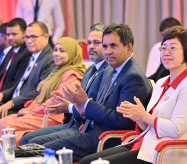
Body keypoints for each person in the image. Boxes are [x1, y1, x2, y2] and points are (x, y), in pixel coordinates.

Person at [79, 26, 187, 164]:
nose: (166, 52)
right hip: (144, 145)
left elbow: (176, 130)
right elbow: (148, 127)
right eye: (163, 48)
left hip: (164, 153)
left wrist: (144, 116)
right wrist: (138, 117)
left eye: (172, 48)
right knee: (87, 161)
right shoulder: (162, 82)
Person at [32, 24, 152, 162]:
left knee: (44, 152)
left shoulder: (132, 77)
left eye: (114, 46)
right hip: (89, 131)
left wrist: (86, 104)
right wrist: (81, 107)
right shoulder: (114, 70)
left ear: (128, 48)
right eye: (106, 46)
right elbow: (101, 107)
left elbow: (122, 121)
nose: (108, 51)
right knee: (39, 148)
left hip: (107, 138)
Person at [20, 23, 111, 145]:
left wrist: (71, 107)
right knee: (28, 138)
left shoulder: (108, 72)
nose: (91, 47)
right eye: (89, 43)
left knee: (32, 142)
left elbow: (94, 107)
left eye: (97, 43)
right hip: (73, 122)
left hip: (88, 129)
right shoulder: (89, 69)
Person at [0, 37, 85, 145]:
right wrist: (28, 109)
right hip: (40, 113)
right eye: (55, 49)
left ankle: (15, 153)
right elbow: (41, 95)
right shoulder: (57, 71)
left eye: (62, 51)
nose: (56, 53)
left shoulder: (72, 75)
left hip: (53, 116)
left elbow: (56, 101)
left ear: (72, 54)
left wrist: (31, 111)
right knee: (5, 121)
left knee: (5, 124)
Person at [0, 21, 55, 128]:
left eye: (33, 37)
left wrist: (12, 103)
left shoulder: (49, 59)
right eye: (27, 37)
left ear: (46, 37)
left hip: (25, 107)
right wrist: (2, 95)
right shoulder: (34, 55)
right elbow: (18, 85)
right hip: (14, 101)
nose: (29, 41)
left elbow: (40, 92)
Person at [147, 17, 181, 82]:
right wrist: (143, 82)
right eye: (162, 35)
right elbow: (157, 75)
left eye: (166, 35)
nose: (163, 39)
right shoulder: (166, 52)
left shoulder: (181, 54)